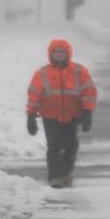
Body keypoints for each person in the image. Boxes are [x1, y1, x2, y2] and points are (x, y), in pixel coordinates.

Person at [25, 38, 98, 188]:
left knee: (71, 145)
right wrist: (31, 116)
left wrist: (87, 112)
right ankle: (55, 177)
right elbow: (34, 95)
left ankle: (66, 173)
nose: (59, 55)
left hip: (73, 115)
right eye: (56, 52)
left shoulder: (79, 71)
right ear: (51, 54)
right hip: (50, 116)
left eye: (62, 52)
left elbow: (89, 92)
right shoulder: (42, 74)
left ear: (68, 53)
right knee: (54, 146)